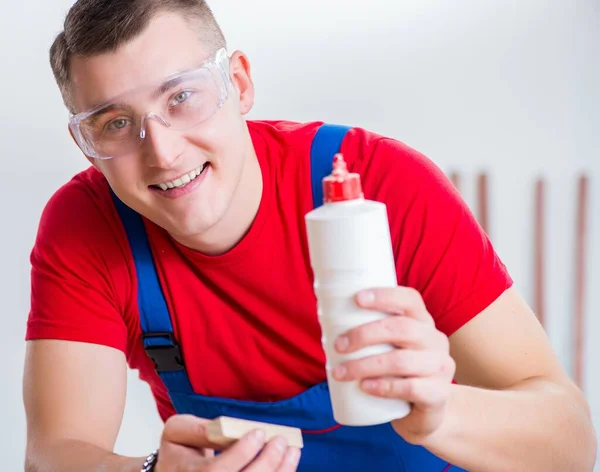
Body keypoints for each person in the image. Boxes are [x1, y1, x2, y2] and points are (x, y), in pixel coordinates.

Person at [22, 0, 596, 471]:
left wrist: (442, 413)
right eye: (117, 123)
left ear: (239, 84)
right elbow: (55, 455)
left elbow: (570, 444)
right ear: (86, 145)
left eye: (181, 97)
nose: (164, 152)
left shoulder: (386, 186)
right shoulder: (86, 228)